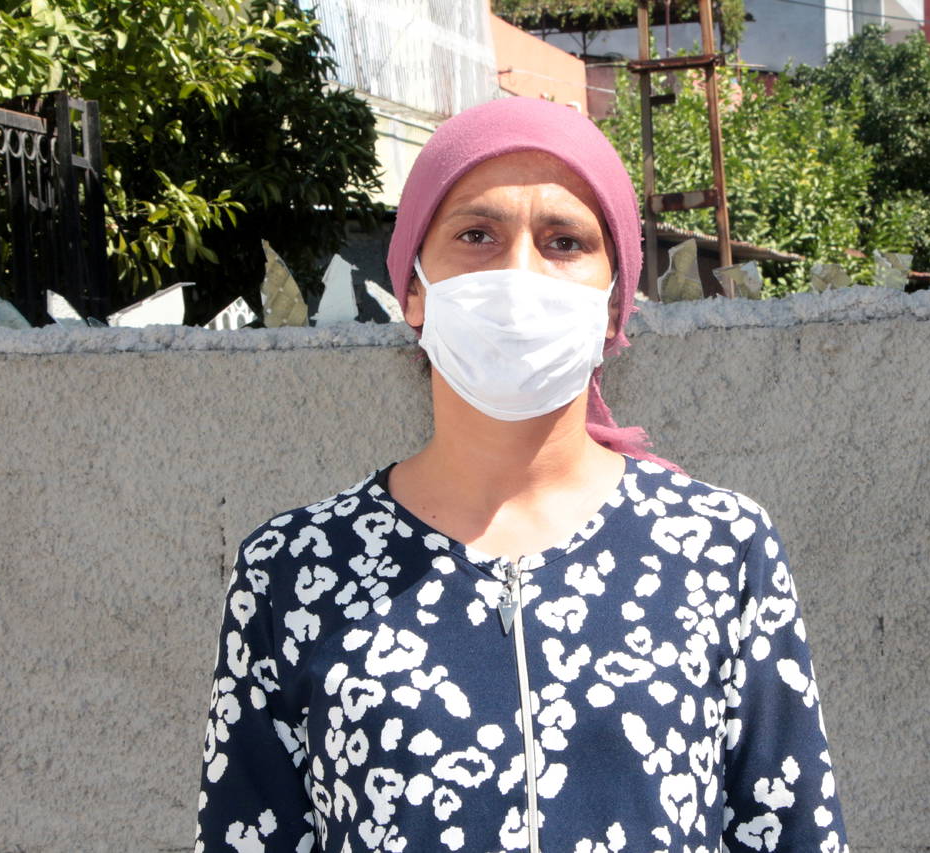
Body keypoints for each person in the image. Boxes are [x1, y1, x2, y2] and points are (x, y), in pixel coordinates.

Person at [196, 97, 848, 853]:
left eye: (565, 242)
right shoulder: (293, 569)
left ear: (614, 303)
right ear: (413, 288)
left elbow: (790, 830)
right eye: (477, 235)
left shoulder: (717, 549)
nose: (518, 275)